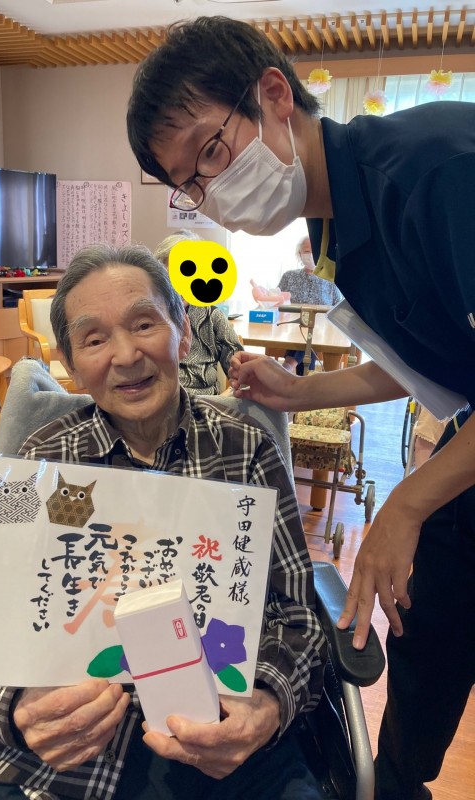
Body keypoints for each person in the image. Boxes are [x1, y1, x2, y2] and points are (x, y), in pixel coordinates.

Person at [126, 16, 475, 800]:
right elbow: (429, 360)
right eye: (190, 182)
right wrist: (301, 391)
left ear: (275, 96)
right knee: (426, 647)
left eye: (211, 152)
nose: (211, 191)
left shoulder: (436, 172)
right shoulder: (330, 225)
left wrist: (405, 505)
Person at [0, 243, 328, 800]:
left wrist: (269, 704)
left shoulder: (246, 450)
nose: (126, 355)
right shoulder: (37, 464)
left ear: (183, 331)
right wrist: (14, 708)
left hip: (222, 742)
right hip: (66, 761)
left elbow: (296, 614)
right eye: (94, 339)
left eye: (144, 324)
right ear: (71, 364)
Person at [154, 230, 243, 395]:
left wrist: (226, 396)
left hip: (205, 402)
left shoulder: (211, 315)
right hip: (159, 399)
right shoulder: (148, 315)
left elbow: (241, 373)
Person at [279, 236, 342, 374]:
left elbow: (339, 308)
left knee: (311, 334)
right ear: (299, 254)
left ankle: (289, 365)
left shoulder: (331, 279)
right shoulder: (289, 276)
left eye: (315, 251)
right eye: (307, 251)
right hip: (292, 327)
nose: (311, 255)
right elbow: (278, 301)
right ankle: (302, 376)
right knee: (305, 334)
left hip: (321, 331)